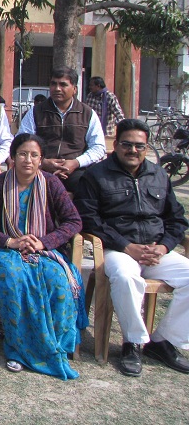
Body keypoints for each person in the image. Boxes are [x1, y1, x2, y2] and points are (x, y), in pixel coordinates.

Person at [75, 119, 189, 377]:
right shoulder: (97, 175)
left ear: (147, 148)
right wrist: (127, 247)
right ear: (116, 145)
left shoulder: (158, 175)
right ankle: (133, 343)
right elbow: (90, 219)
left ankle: (163, 342)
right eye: (127, 144)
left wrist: (163, 247)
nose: (133, 150)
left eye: (140, 146)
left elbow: (177, 219)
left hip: (156, 251)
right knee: (126, 277)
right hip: (118, 250)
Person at [0, 133, 87, 379]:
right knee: (13, 276)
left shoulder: (51, 184)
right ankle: (17, 349)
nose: (28, 160)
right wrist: (8, 241)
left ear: (41, 160)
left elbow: (73, 221)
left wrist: (43, 242)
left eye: (34, 155)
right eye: (22, 154)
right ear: (12, 157)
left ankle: (52, 346)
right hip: (4, 251)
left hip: (43, 251)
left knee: (56, 278)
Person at [17, 66, 106, 193]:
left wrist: (75, 163)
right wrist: (42, 162)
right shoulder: (36, 112)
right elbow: (22, 142)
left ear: (74, 89)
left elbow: (98, 147)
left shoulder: (87, 113)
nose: (57, 89)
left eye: (63, 85)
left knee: (90, 189)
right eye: (53, 84)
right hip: (41, 169)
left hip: (76, 170)